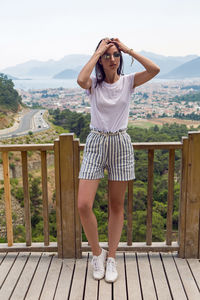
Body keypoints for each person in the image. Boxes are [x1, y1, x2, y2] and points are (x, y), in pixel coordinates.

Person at [77, 37, 160, 283]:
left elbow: (154, 70)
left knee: (116, 206)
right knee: (83, 204)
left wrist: (127, 49)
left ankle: (111, 257)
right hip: (95, 142)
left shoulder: (128, 82)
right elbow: (80, 80)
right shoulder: (93, 84)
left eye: (115, 55)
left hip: (121, 144)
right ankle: (97, 253)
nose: (111, 60)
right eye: (106, 55)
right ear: (99, 59)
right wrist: (97, 52)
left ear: (120, 58)